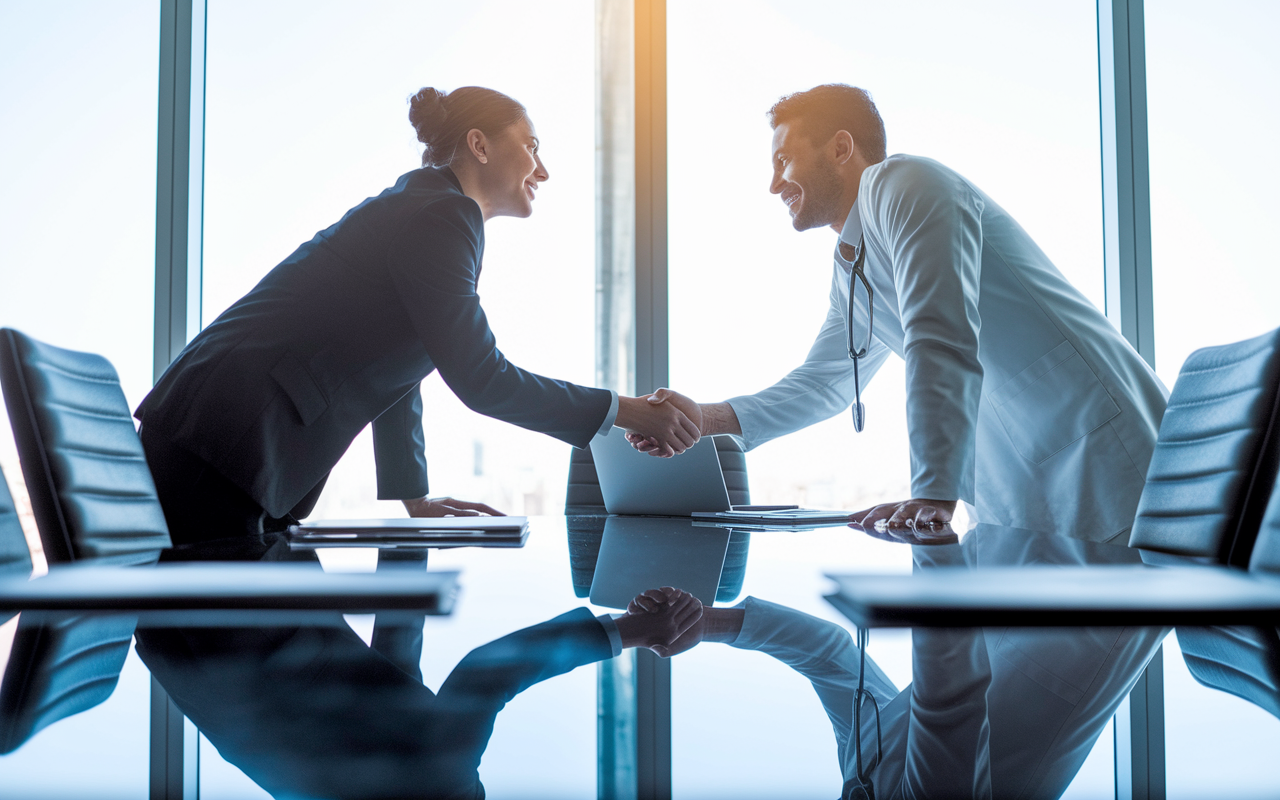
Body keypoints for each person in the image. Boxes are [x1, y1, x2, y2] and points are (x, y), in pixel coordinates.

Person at [136, 86, 700, 545]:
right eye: (531, 146)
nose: (543, 169)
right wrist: (624, 410)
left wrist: (414, 495)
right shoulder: (444, 216)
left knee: (227, 655)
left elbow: (395, 365)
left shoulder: (429, 208)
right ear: (479, 145)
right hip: (226, 438)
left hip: (227, 436)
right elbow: (482, 379)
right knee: (209, 653)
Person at [632, 84, 1167, 542]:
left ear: (841, 148)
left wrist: (932, 491)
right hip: (1029, 487)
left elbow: (940, 334)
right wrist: (703, 420)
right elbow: (822, 386)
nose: (774, 184)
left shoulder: (907, 183)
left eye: (782, 160)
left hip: (1100, 456)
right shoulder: (851, 261)